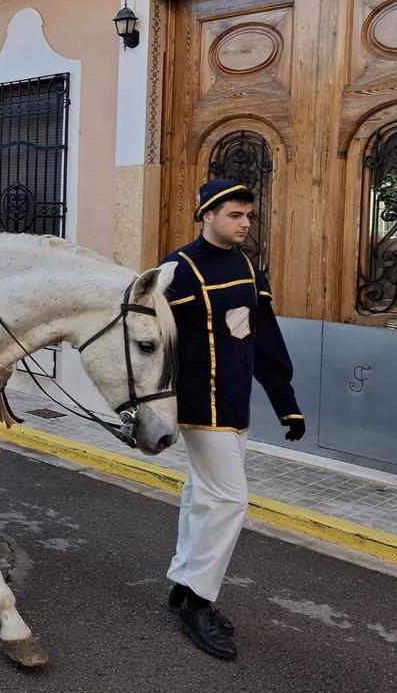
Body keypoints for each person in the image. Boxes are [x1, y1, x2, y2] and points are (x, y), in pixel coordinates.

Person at [162, 179, 305, 662]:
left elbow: (264, 337)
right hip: (199, 406)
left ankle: (183, 587)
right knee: (229, 499)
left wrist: (285, 400)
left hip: (237, 403)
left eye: (248, 216)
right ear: (206, 215)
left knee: (204, 494)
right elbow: (148, 345)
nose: (245, 224)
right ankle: (199, 604)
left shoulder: (246, 265)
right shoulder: (175, 271)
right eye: (235, 216)